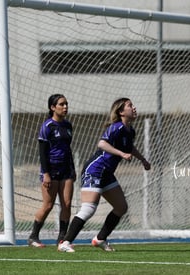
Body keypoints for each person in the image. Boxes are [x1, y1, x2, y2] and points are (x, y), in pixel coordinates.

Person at [58, 97, 151, 253]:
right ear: (121, 112)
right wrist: (121, 153)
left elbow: (129, 147)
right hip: (95, 170)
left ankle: (100, 239)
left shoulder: (130, 130)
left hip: (107, 173)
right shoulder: (116, 127)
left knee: (121, 207)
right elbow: (101, 143)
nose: (134, 108)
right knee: (88, 209)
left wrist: (142, 160)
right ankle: (65, 243)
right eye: (129, 106)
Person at [28, 94, 76, 247]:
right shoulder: (47, 126)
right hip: (51, 170)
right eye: (61, 104)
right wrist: (46, 174)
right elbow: (42, 153)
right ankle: (33, 237)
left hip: (66, 169)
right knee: (48, 205)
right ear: (52, 107)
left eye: (66, 104)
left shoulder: (68, 125)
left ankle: (62, 239)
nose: (65, 107)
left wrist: (73, 169)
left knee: (67, 204)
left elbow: (68, 149)